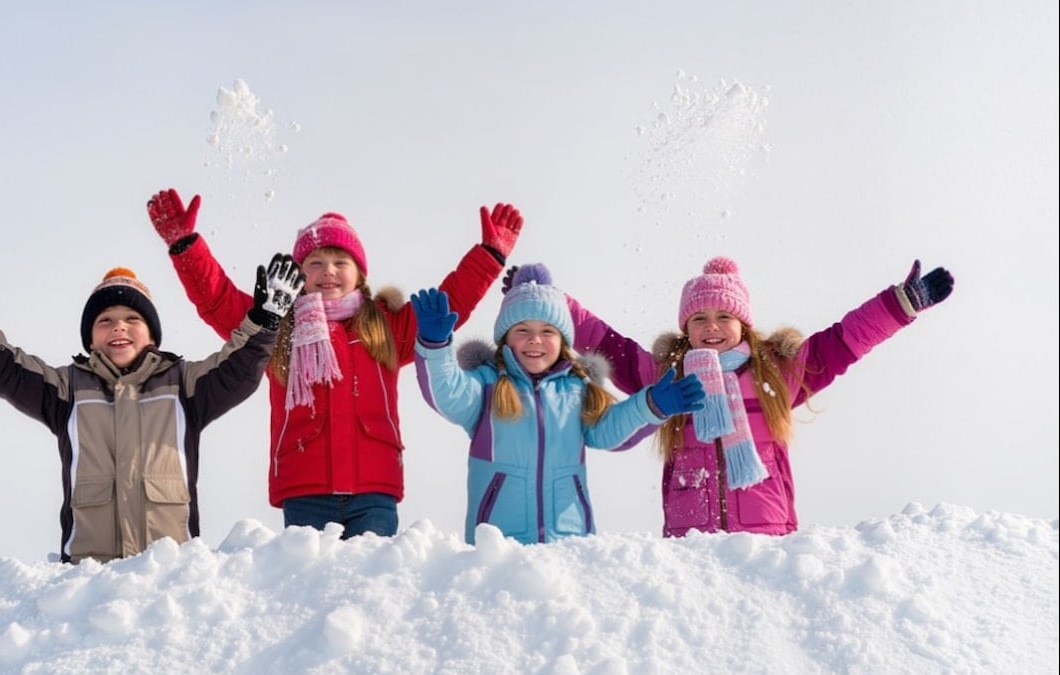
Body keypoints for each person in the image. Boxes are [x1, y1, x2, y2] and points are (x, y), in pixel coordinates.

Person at [145, 188, 523, 538]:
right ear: (298, 274)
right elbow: (218, 300)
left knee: (372, 587)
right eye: (316, 262)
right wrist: (185, 246)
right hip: (304, 487)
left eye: (341, 261)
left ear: (360, 274)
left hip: (374, 489)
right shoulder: (276, 325)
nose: (328, 271)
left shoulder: (387, 324)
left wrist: (489, 255)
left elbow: (452, 300)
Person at [0, 254, 303, 562]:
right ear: (91, 338)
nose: (119, 328)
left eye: (132, 318)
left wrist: (266, 321)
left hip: (171, 573)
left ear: (152, 334)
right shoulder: (67, 390)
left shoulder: (184, 385)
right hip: (88, 576)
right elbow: (6, 368)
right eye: (105, 321)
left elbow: (239, 370)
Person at [563, 255, 955, 537]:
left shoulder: (777, 373)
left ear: (742, 323)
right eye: (699, 319)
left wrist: (899, 304)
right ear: (686, 328)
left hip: (766, 537)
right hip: (689, 540)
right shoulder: (668, 376)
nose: (711, 327)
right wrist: (553, 305)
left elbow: (844, 339)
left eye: (723, 318)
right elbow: (606, 342)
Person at [410, 264, 706, 545]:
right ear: (505, 338)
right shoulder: (486, 387)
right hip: (498, 545)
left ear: (563, 340)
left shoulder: (576, 389)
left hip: (569, 542)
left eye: (547, 331)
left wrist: (651, 405)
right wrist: (435, 348)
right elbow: (447, 392)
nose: (535, 340)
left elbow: (608, 431)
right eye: (522, 330)